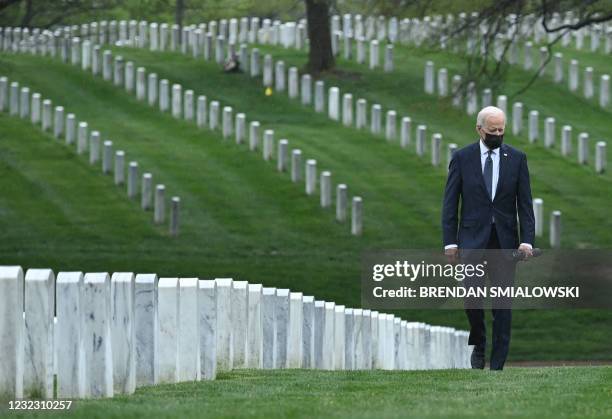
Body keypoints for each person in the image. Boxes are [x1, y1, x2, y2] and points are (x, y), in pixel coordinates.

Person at [441, 106, 535, 370]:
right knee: (472, 299)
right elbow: (450, 204)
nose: (497, 134)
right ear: (479, 129)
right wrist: (450, 242)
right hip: (471, 240)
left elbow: (525, 205)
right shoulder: (462, 158)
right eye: (492, 130)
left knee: (503, 305)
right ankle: (479, 344)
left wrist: (527, 240)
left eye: (501, 130)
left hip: (504, 243)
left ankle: (497, 363)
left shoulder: (516, 158)